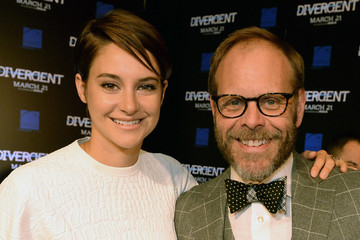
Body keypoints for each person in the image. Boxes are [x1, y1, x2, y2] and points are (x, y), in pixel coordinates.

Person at [0, 10, 345, 239]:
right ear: (81, 87)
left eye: (146, 86)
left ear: (163, 92)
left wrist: (315, 167)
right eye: (110, 85)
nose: (130, 104)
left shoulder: (176, 180)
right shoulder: (28, 189)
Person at [174, 26, 360, 240]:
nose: (252, 121)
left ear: (299, 107)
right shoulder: (186, 212)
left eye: (271, 101)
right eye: (234, 102)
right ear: (214, 111)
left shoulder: (354, 196)